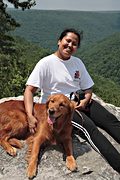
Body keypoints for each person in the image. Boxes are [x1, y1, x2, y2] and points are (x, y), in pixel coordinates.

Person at [24, 28, 120, 173]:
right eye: (67, 41)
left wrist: (86, 99)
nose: (70, 45)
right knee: (90, 129)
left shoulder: (77, 63)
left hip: (79, 99)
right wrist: (30, 116)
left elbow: (88, 88)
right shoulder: (46, 63)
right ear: (59, 41)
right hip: (62, 108)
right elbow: (29, 90)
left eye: (74, 44)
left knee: (110, 120)